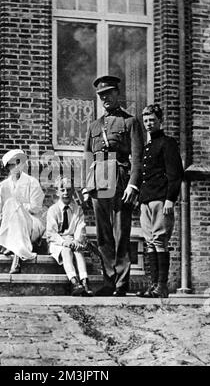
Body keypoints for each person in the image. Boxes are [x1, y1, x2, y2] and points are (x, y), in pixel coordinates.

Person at [82, 75, 143, 296]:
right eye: (101, 95)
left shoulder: (130, 122)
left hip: (119, 176)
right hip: (99, 177)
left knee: (121, 230)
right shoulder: (94, 125)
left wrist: (133, 185)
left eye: (108, 93)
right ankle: (108, 280)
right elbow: (88, 157)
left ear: (118, 93)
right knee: (103, 233)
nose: (105, 98)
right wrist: (87, 187)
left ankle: (121, 282)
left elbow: (137, 158)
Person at [137, 104, 184, 298]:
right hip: (146, 199)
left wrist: (170, 199)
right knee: (149, 242)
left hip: (161, 199)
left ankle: (162, 286)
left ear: (160, 121)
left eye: (152, 120)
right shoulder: (147, 147)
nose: (149, 124)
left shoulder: (168, 143)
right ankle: (153, 285)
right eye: (146, 120)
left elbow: (175, 174)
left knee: (159, 241)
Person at [0, 149, 45, 273]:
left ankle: (12, 249)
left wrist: (19, 206)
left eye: (18, 162)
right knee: (12, 207)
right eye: (12, 164)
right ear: (8, 167)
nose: (16, 166)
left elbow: (36, 208)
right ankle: (16, 261)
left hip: (33, 223)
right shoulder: (4, 186)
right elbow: (2, 211)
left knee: (13, 205)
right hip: (11, 223)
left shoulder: (32, 182)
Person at [46, 177, 93, 296]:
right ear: (57, 192)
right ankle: (74, 281)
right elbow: (51, 232)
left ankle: (85, 281)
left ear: (73, 191)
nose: (66, 193)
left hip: (73, 239)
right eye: (62, 190)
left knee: (78, 250)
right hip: (58, 242)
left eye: (68, 190)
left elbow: (80, 227)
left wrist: (77, 241)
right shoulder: (53, 210)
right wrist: (63, 242)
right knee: (66, 251)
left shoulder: (77, 210)